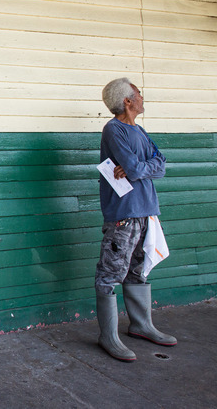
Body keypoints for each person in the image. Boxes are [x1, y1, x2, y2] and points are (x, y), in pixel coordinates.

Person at [95, 77, 176, 361]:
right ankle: (109, 336)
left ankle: (141, 326)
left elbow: (160, 163)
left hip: (147, 211)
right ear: (127, 101)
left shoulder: (139, 130)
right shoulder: (113, 129)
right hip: (123, 214)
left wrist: (139, 168)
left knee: (138, 270)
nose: (142, 98)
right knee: (111, 271)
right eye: (139, 94)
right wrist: (137, 168)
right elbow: (132, 166)